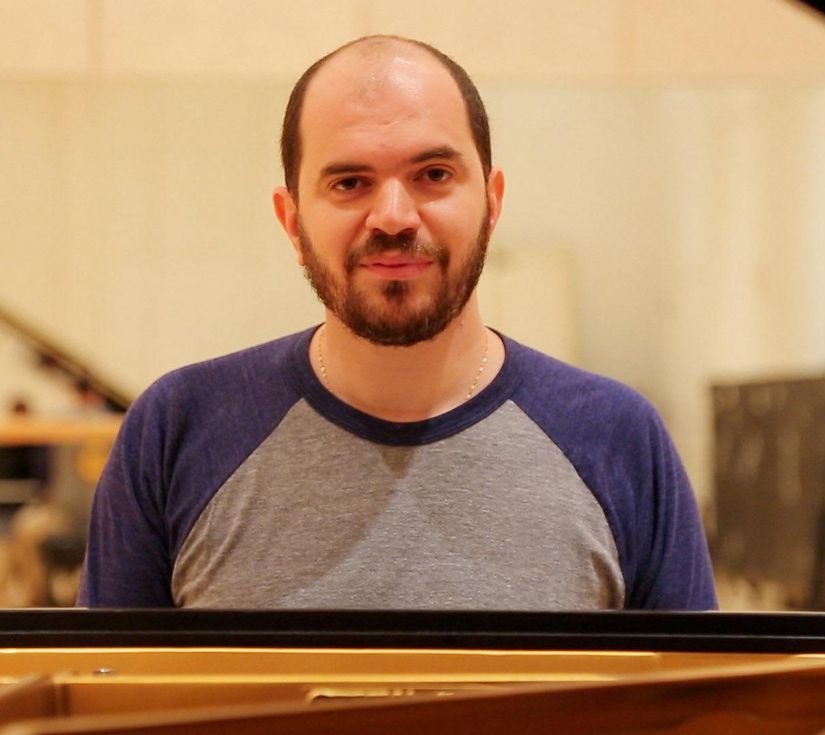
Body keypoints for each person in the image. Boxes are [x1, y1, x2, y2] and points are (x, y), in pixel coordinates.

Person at [77, 35, 717, 610]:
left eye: (433, 174)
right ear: (291, 221)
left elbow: (700, 709)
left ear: (492, 203)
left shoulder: (617, 437)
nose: (392, 215)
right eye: (350, 182)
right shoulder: (178, 429)